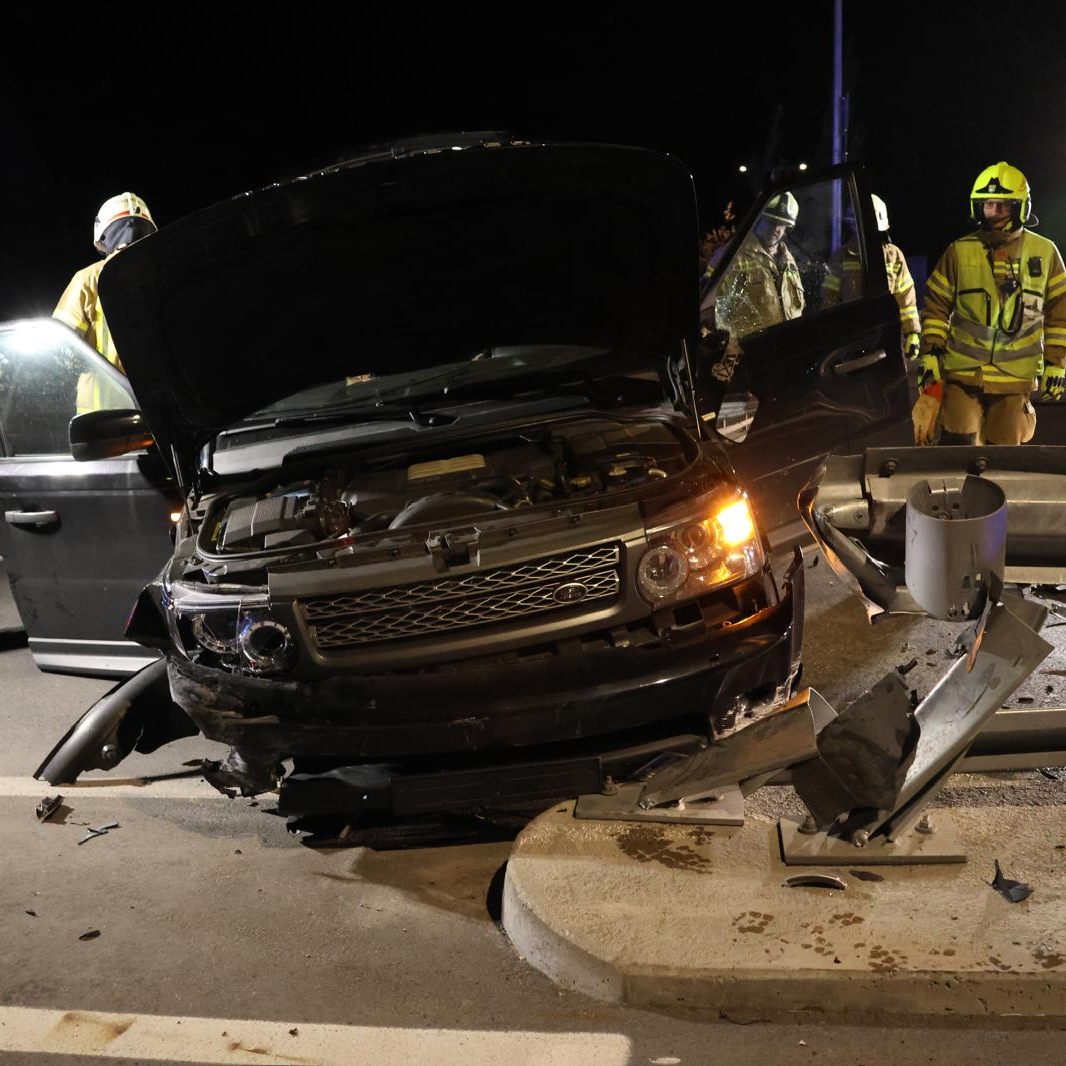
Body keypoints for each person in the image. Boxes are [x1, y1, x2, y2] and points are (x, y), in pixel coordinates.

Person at [915, 162, 1066, 446]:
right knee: (957, 442)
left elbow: (1061, 315)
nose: (993, 213)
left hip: (1015, 377)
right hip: (963, 372)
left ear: (1020, 207)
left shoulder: (1045, 253)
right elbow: (936, 306)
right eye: (987, 205)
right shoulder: (958, 251)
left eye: (1002, 206)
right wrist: (931, 353)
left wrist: (1056, 365)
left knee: (1004, 450)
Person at [53, 192, 157, 412]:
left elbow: (59, 349)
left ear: (103, 236)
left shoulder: (88, 280)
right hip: (168, 416)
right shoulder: (166, 274)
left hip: (104, 425)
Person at [822, 194, 921, 358]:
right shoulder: (841, 256)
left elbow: (906, 299)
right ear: (853, 225)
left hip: (887, 337)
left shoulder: (894, 255)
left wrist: (912, 333)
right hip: (851, 338)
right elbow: (829, 299)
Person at [713, 191, 804, 340]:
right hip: (750, 352)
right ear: (758, 219)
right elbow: (710, 309)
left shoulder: (789, 260)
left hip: (789, 347)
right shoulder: (731, 255)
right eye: (772, 221)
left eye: (782, 224)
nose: (777, 228)